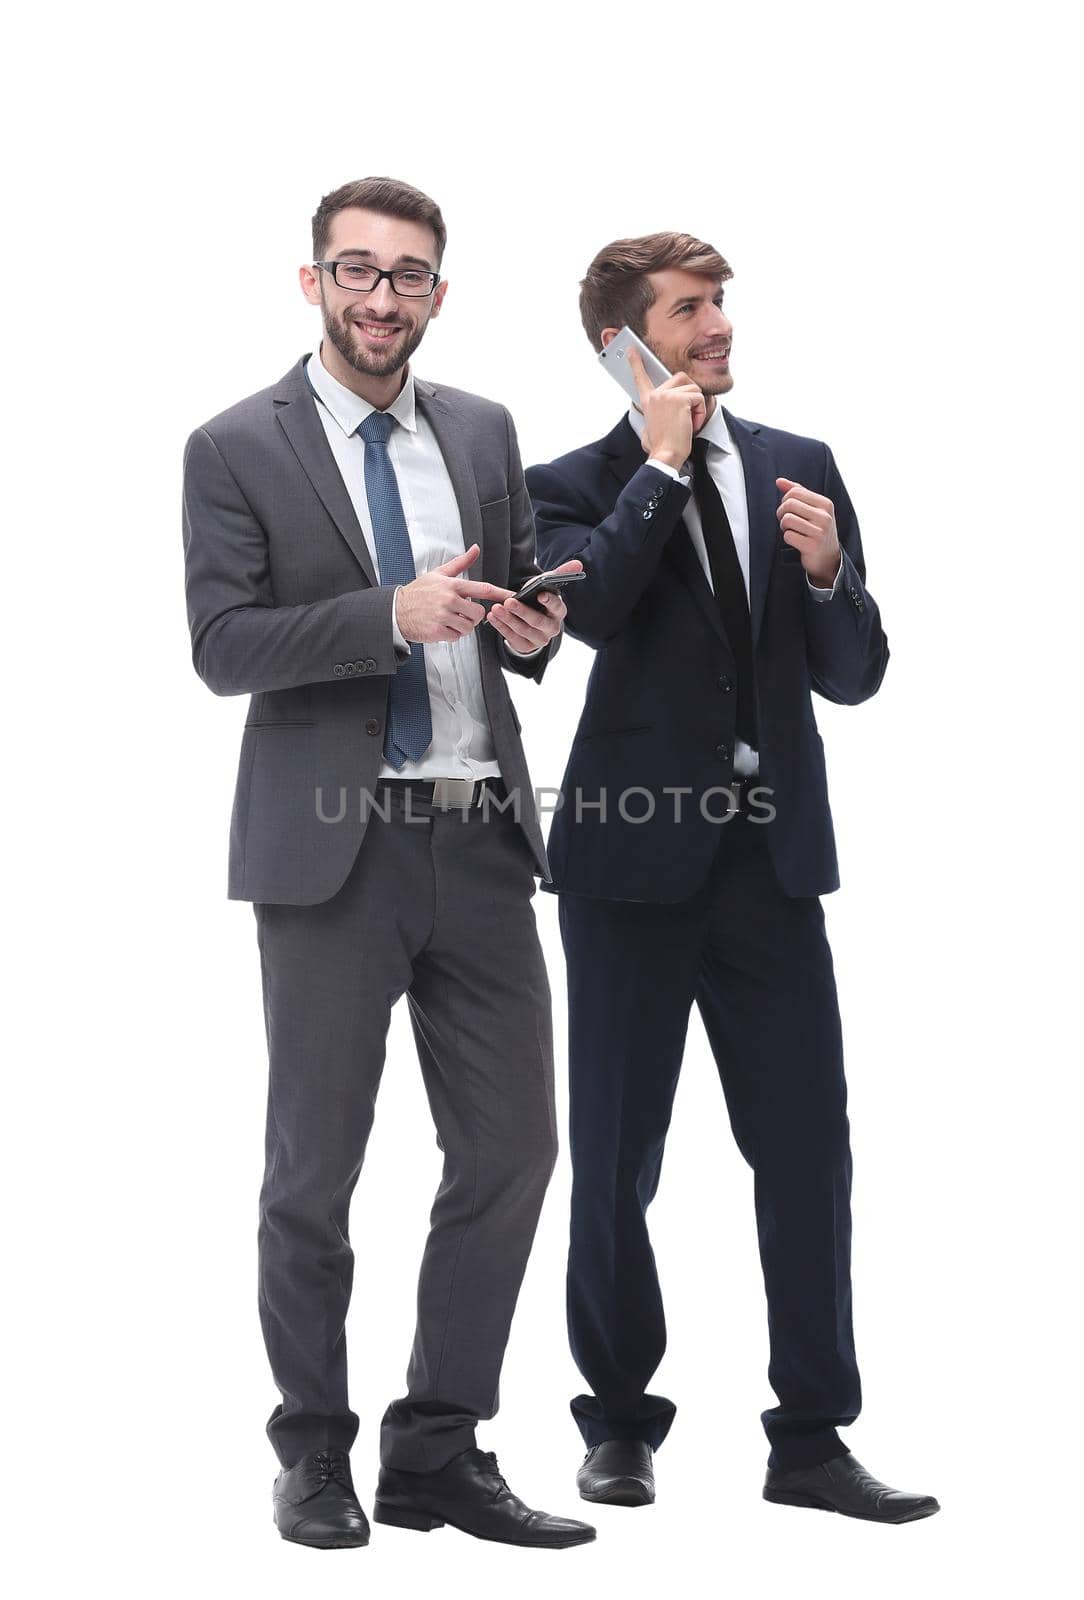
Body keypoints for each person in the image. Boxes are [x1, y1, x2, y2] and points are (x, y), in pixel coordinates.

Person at [181, 176, 592, 1551]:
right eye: (356, 271)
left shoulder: (479, 428)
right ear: (313, 283)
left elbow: (511, 607)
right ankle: (313, 1453)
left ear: (438, 294)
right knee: (316, 1169)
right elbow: (224, 645)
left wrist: (528, 627)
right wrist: (385, 615)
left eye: (407, 275)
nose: (380, 297)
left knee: (515, 1149)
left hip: (476, 838)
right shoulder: (235, 445)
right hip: (330, 856)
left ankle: (434, 1448)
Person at [524, 232, 938, 1524]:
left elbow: (855, 672)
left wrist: (826, 571)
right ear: (626, 344)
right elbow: (587, 615)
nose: (719, 327)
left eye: (720, 304)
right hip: (628, 864)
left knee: (810, 1149)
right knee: (615, 1159)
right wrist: (653, 465)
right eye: (690, 309)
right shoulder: (566, 483)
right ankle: (618, 1423)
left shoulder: (795, 467)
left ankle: (811, 1439)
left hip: (769, 865)